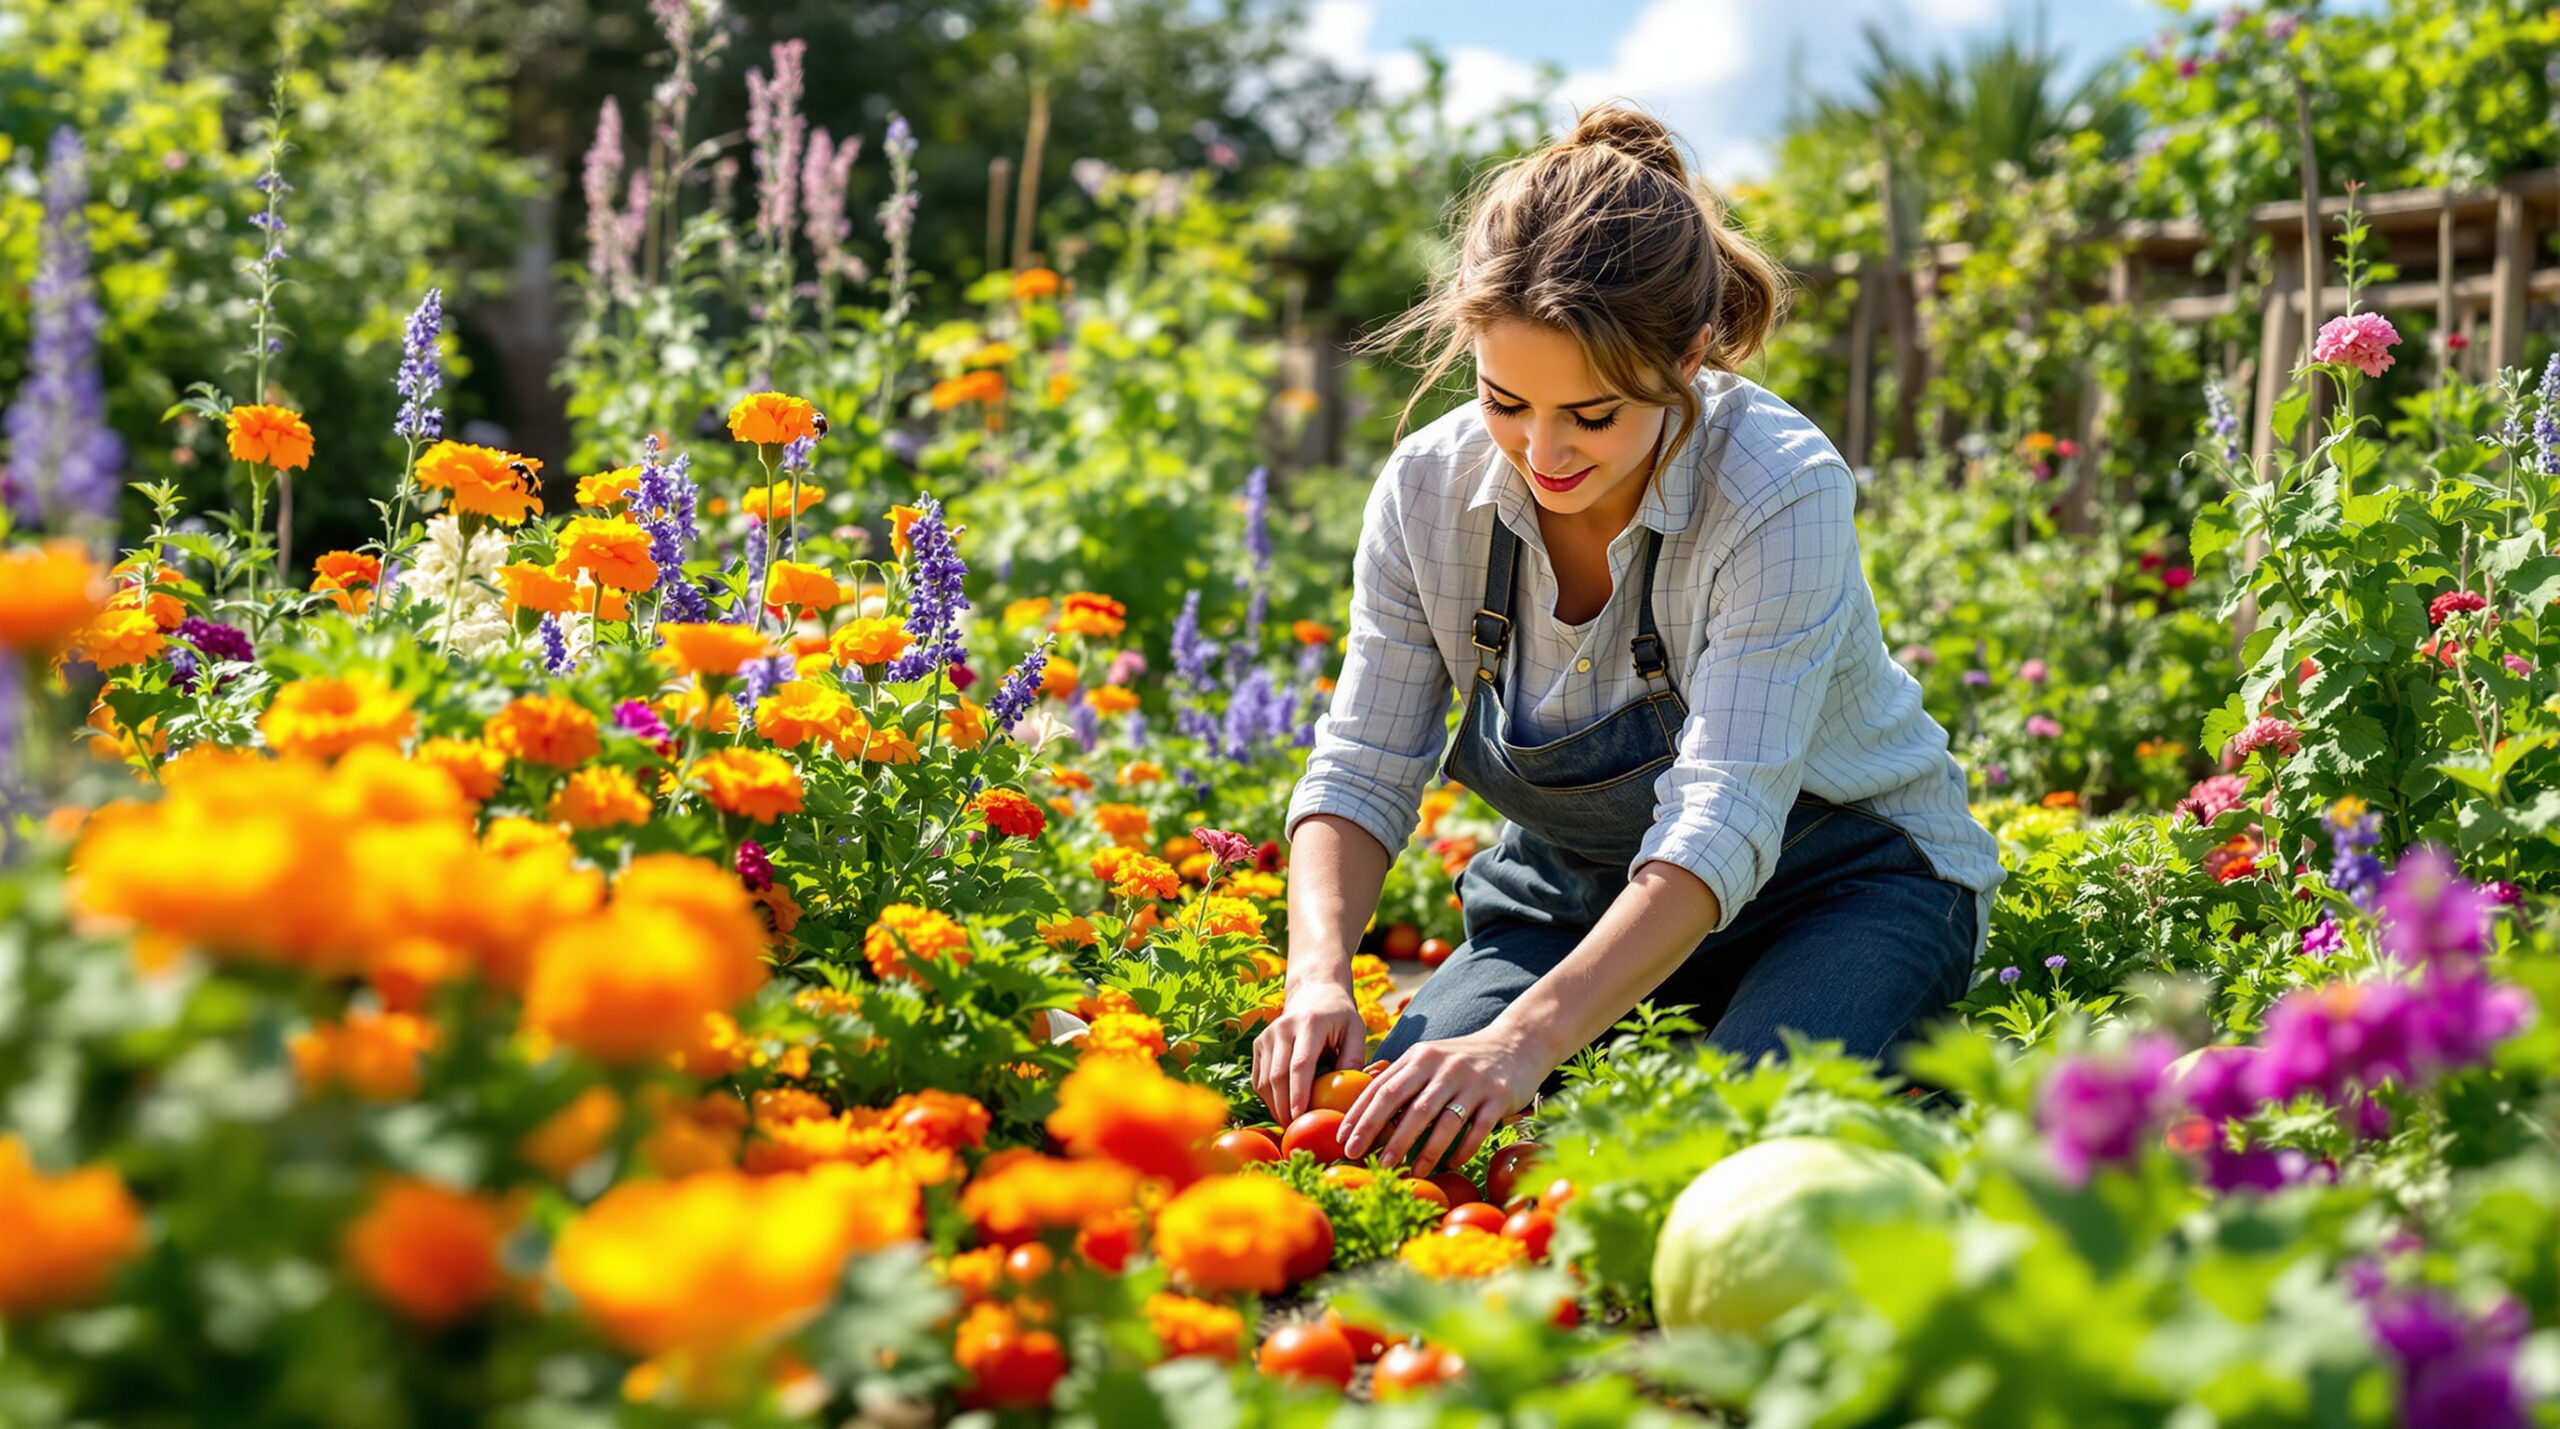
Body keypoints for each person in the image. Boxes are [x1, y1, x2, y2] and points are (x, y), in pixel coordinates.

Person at [1250, 103, 2004, 1176]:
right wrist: (1318, 973)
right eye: (1505, 400)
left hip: (1842, 885)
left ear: (1688, 357)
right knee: (1394, 1138)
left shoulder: (1777, 488)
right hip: (1574, 901)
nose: (1541, 451)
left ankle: (1875, 1038)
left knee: (1710, 1164)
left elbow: (1722, 813)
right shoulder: (1428, 488)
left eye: (1593, 415)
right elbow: (1365, 759)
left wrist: (1523, 1041)